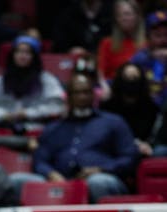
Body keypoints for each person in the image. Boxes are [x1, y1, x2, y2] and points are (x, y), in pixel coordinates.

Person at [31, 73, 139, 202]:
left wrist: (101, 169)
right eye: (76, 93)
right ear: (68, 97)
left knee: (98, 182)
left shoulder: (113, 122)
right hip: (60, 181)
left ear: (93, 95)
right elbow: (40, 160)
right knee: (19, 181)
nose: (82, 97)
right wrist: (51, 173)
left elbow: (129, 157)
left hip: (103, 177)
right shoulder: (53, 128)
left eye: (86, 92)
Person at [0, 35, 66, 134]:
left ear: (35, 56)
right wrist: (3, 115)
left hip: (36, 128)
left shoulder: (47, 80)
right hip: (4, 128)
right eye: (18, 51)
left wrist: (27, 113)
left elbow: (57, 106)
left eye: (27, 52)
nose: (22, 56)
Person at [100, 62, 159, 156]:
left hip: (144, 150)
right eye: (127, 78)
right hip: (112, 150)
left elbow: (153, 136)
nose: (131, 81)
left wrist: (145, 145)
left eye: (135, 78)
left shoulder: (151, 108)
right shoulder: (106, 107)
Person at [97, 0, 146, 82]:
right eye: (119, 15)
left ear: (137, 16)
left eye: (128, 14)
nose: (124, 18)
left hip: (139, 86)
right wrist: (105, 86)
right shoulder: (107, 43)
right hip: (112, 86)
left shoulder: (146, 44)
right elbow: (101, 74)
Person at [131, 10, 167, 107]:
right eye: (158, 35)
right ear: (148, 37)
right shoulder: (140, 57)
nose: (164, 40)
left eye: (166, 34)